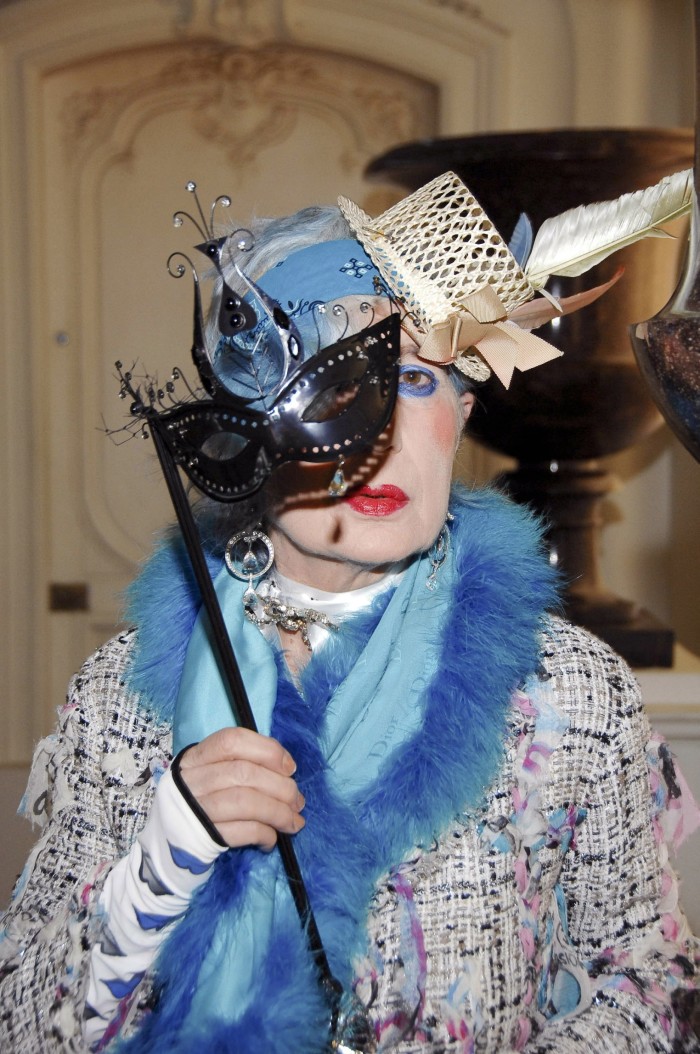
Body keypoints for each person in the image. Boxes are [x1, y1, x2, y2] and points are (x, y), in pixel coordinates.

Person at [0, 171, 698, 1053]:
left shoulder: (565, 693)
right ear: (238, 429)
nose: (377, 441)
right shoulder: (121, 700)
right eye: (324, 385)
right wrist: (159, 862)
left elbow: (651, 983)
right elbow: (22, 1024)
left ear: (463, 410)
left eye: (410, 379)